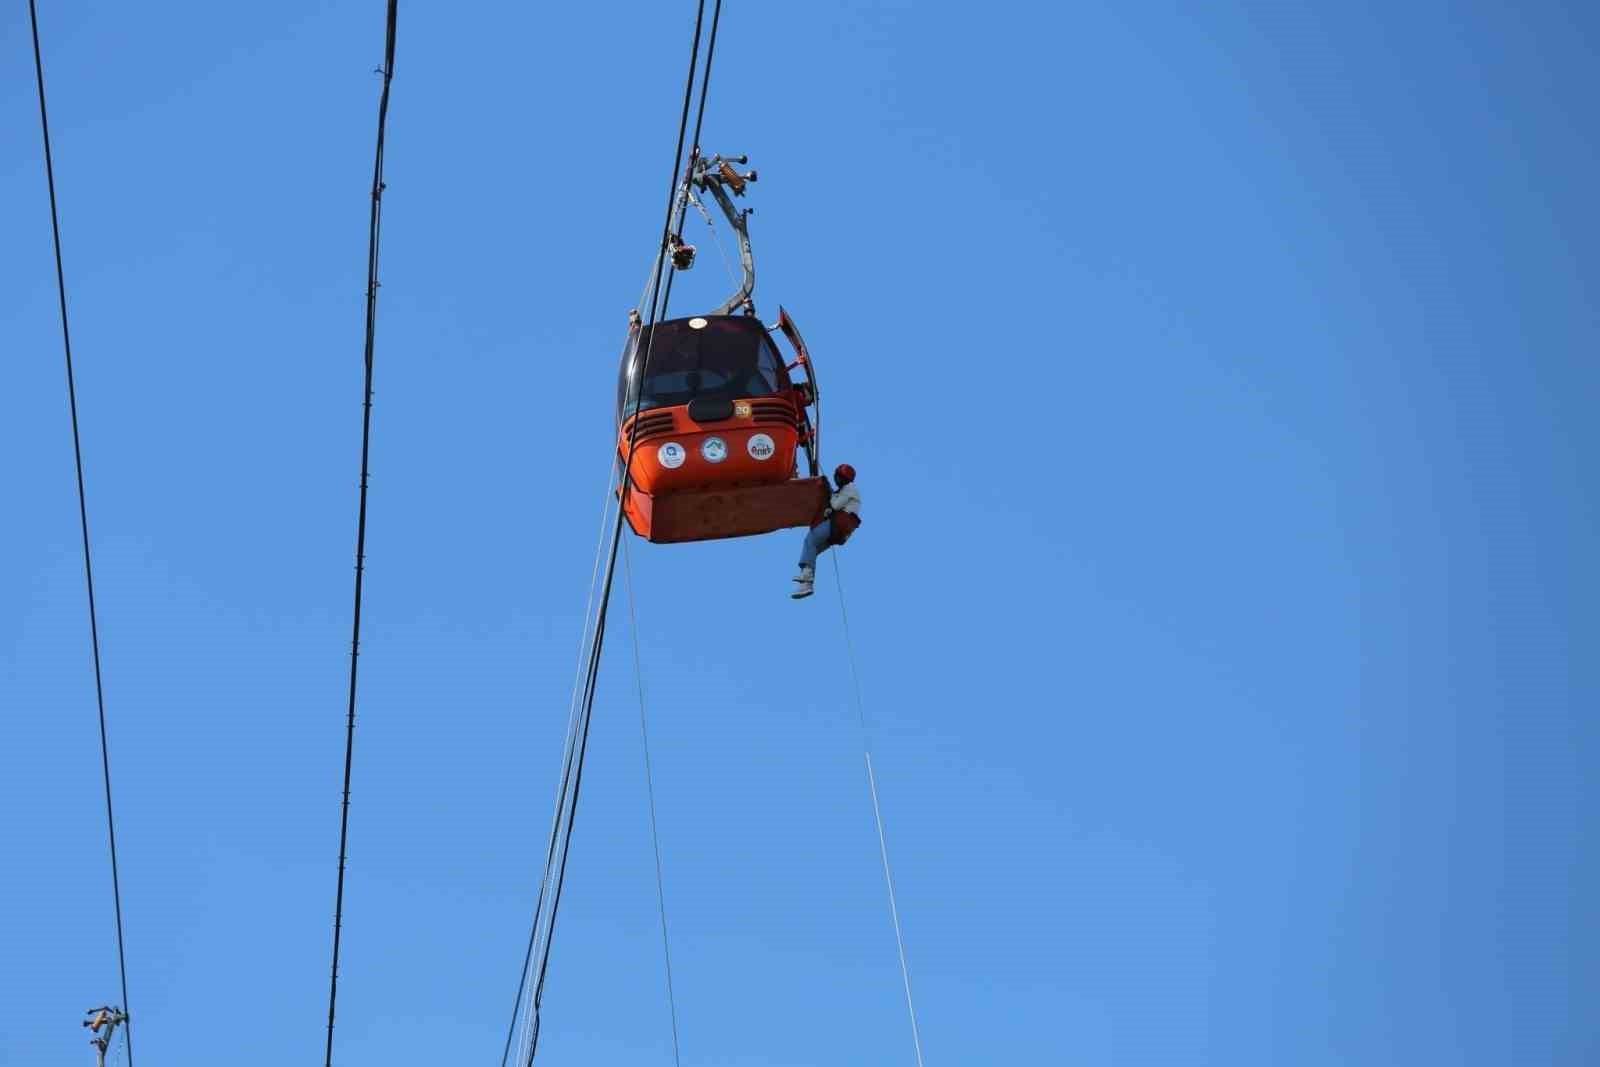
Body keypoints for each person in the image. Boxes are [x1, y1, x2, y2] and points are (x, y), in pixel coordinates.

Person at [791, 463, 862, 599]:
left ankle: (807, 577)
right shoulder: (846, 490)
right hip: (840, 532)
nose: (837, 480)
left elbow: (835, 505)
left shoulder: (849, 489)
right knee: (813, 549)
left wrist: (829, 493)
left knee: (810, 539)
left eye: (839, 477)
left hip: (837, 526)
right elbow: (835, 506)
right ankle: (807, 584)